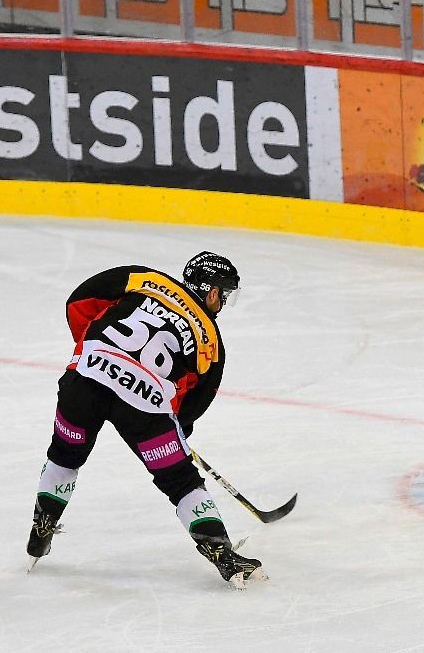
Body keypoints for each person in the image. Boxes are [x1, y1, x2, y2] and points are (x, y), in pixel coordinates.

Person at [26, 251, 267, 587]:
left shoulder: (144, 278)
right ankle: (222, 553)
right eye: (224, 295)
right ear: (212, 293)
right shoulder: (210, 340)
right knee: (181, 482)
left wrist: (92, 350)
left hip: (84, 382)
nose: (222, 303)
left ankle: (41, 529)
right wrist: (175, 428)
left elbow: (80, 301)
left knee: (65, 456)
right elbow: (194, 403)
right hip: (144, 407)